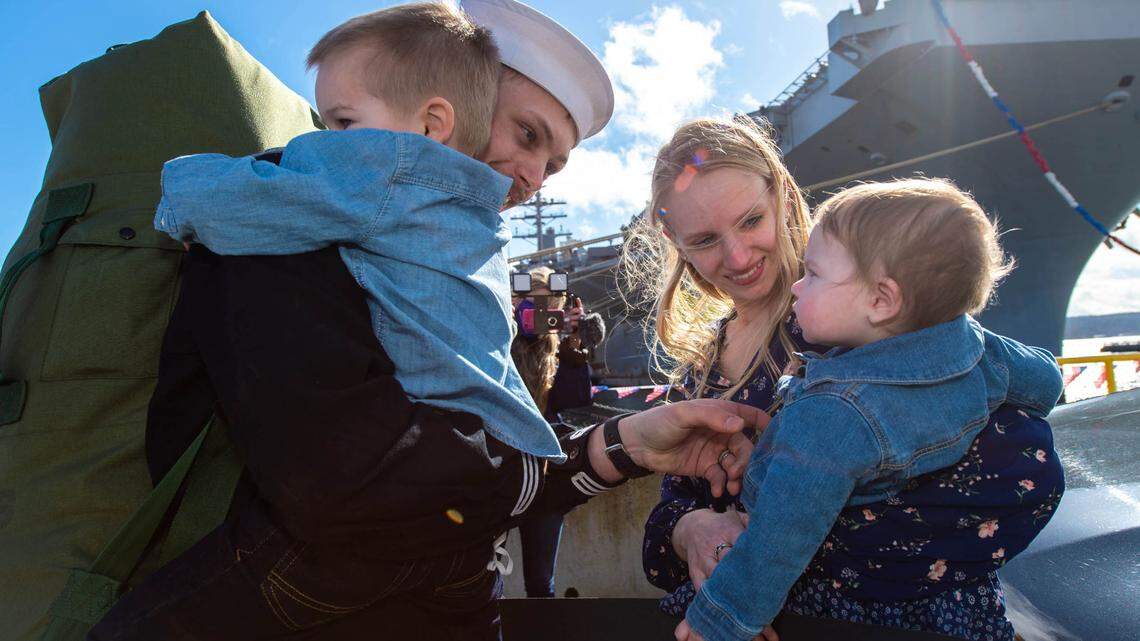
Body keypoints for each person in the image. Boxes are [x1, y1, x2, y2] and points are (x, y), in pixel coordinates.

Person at [91, 2, 762, 640]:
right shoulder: (292, 228)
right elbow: (359, 481)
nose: (532, 175)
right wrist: (527, 470)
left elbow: (469, 450)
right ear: (447, 101)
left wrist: (629, 444)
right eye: (527, 135)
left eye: (554, 163)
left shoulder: (455, 246)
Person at [156, 2, 560, 460]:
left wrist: (177, 191)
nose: (327, 140)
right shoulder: (480, 214)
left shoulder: (389, 170)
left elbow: (225, 203)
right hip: (502, 437)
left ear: (431, 126)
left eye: (344, 122)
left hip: (423, 440)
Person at [676, 178, 1065, 641]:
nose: (799, 286)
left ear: (881, 301)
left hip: (845, 608)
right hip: (960, 605)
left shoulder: (832, 413)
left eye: (814, 274)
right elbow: (1046, 383)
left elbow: (780, 540)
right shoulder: (978, 349)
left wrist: (721, 620)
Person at [509, 266, 605, 598]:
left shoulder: (558, 351)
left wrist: (575, 349)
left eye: (546, 305)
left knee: (540, 583)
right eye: (528, 303)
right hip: (498, 471)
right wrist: (557, 321)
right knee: (480, 579)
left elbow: (576, 400)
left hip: (544, 479)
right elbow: (523, 325)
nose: (537, 314)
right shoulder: (501, 333)